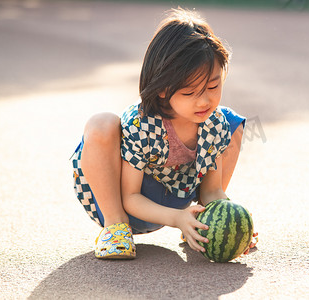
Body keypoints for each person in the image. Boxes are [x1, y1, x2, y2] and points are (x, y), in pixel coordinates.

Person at [70, 8, 257, 259]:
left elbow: (212, 190)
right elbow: (131, 197)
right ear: (162, 89)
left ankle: (200, 223)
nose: (204, 101)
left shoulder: (214, 124)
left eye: (213, 86)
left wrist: (231, 224)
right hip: (123, 202)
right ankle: (115, 230)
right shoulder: (143, 124)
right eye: (190, 92)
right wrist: (175, 218)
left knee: (233, 122)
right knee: (102, 123)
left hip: (178, 200)